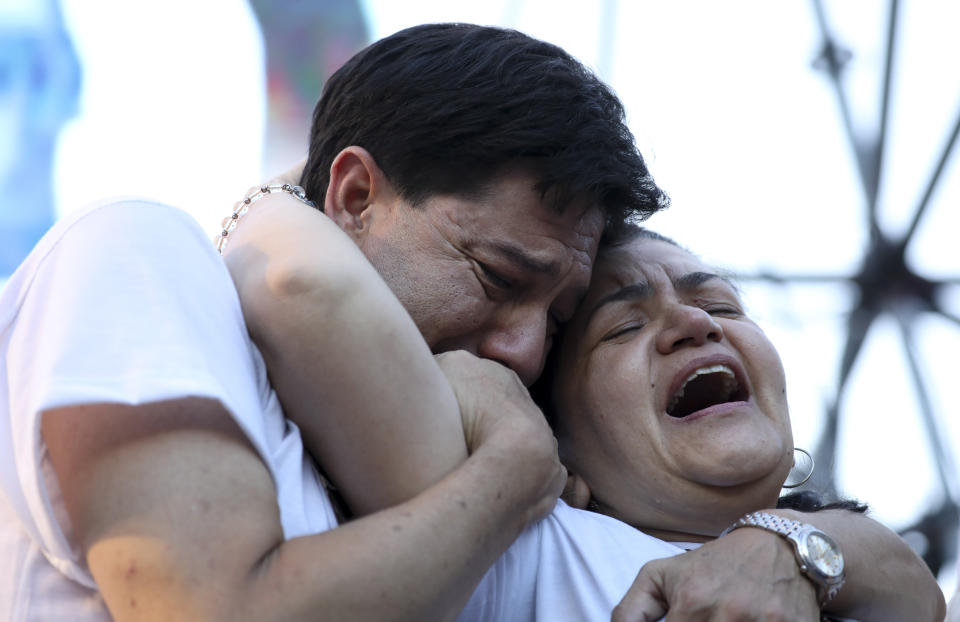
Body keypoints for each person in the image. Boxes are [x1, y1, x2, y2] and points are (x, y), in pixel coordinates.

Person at [0, 23, 661, 621]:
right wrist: (510, 474)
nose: (523, 351)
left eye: (557, 321)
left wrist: (765, 535)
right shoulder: (136, 253)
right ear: (355, 197)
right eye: (496, 277)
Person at [454, 225, 945, 621]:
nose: (695, 323)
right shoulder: (526, 550)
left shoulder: (842, 578)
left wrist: (786, 540)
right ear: (559, 447)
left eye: (721, 307)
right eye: (624, 327)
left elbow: (921, 593)